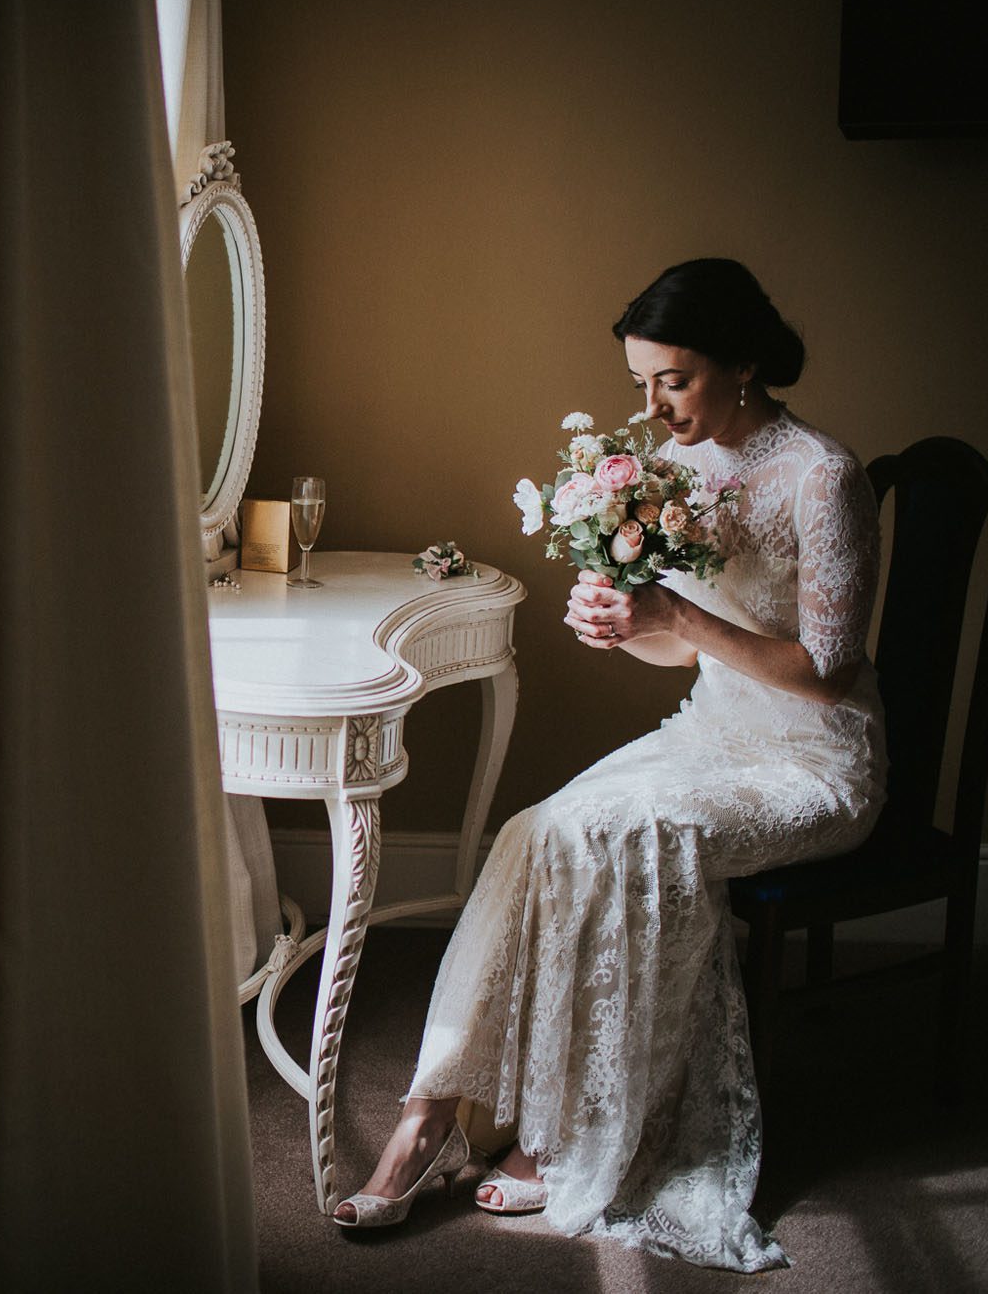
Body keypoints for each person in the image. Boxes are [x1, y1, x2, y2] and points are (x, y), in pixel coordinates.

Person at [331, 259, 885, 1272]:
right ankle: (429, 1116)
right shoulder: (677, 473)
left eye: (669, 379)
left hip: (812, 764)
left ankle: (580, 1130)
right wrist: (624, 624)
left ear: (742, 362)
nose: (650, 406)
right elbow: (678, 649)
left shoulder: (822, 475)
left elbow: (824, 672)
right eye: (638, 382)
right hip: (708, 735)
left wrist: (674, 612)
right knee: (532, 829)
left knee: (617, 833)